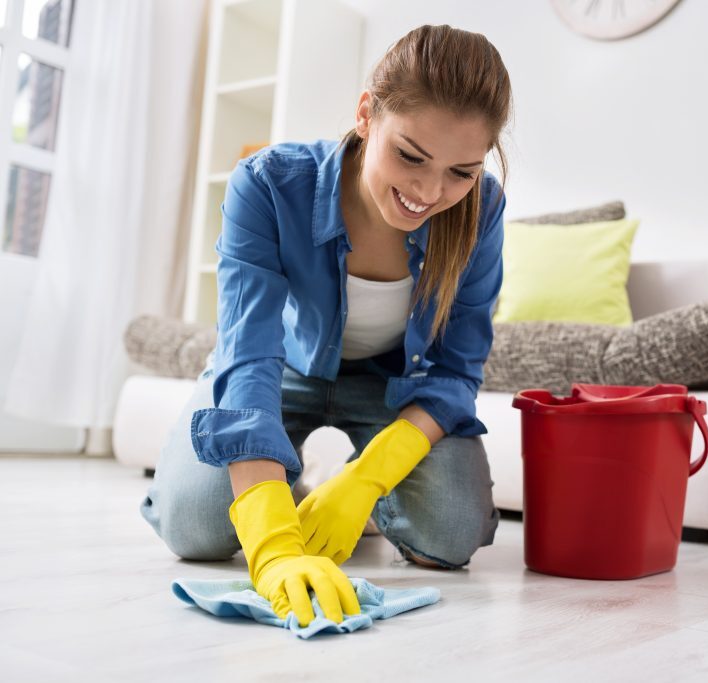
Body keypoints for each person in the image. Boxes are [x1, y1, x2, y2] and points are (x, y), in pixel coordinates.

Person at [140, 24, 512, 628]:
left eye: (460, 172)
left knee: (448, 536)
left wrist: (368, 478)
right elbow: (249, 352)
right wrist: (272, 542)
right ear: (366, 115)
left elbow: (456, 371)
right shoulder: (267, 183)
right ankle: (285, 478)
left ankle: (339, 494)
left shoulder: (482, 211)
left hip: (393, 391)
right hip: (278, 372)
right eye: (410, 156)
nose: (428, 191)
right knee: (195, 526)